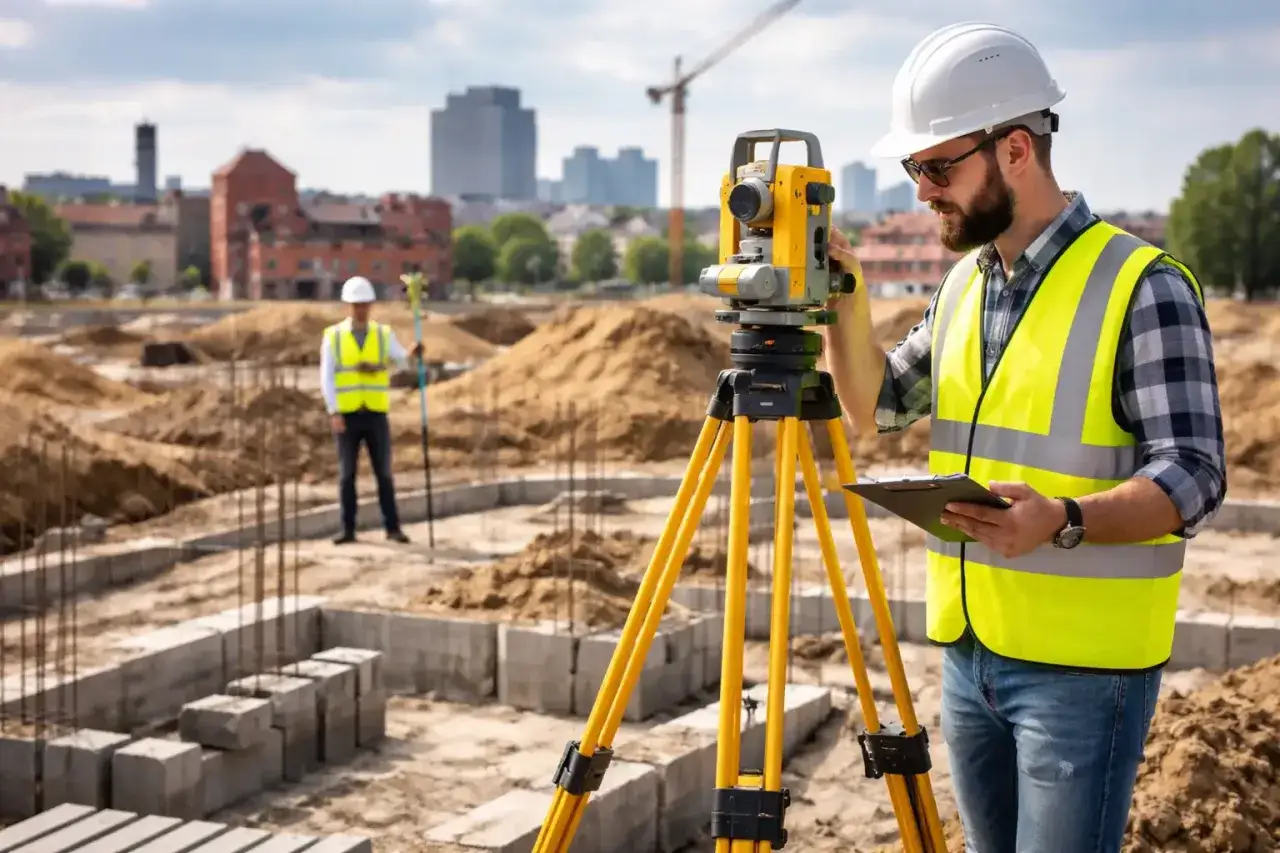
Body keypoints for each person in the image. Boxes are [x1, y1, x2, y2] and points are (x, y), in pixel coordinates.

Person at [822, 22, 1227, 853]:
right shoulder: (966, 284)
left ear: (1014, 149)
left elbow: (1195, 472)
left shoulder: (1140, 285)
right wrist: (842, 298)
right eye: (914, 170)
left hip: (1082, 672)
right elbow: (879, 407)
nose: (923, 192)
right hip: (972, 655)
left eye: (938, 168)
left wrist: (1064, 518)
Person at [320, 275, 423, 545]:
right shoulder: (334, 336)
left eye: (364, 304)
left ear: (371, 305)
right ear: (348, 306)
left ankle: (393, 528)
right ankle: (348, 529)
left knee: (384, 474)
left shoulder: (382, 334)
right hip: (347, 414)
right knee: (347, 475)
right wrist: (334, 411)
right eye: (356, 305)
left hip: (375, 413)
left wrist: (413, 355)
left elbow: (402, 360)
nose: (361, 309)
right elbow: (326, 377)